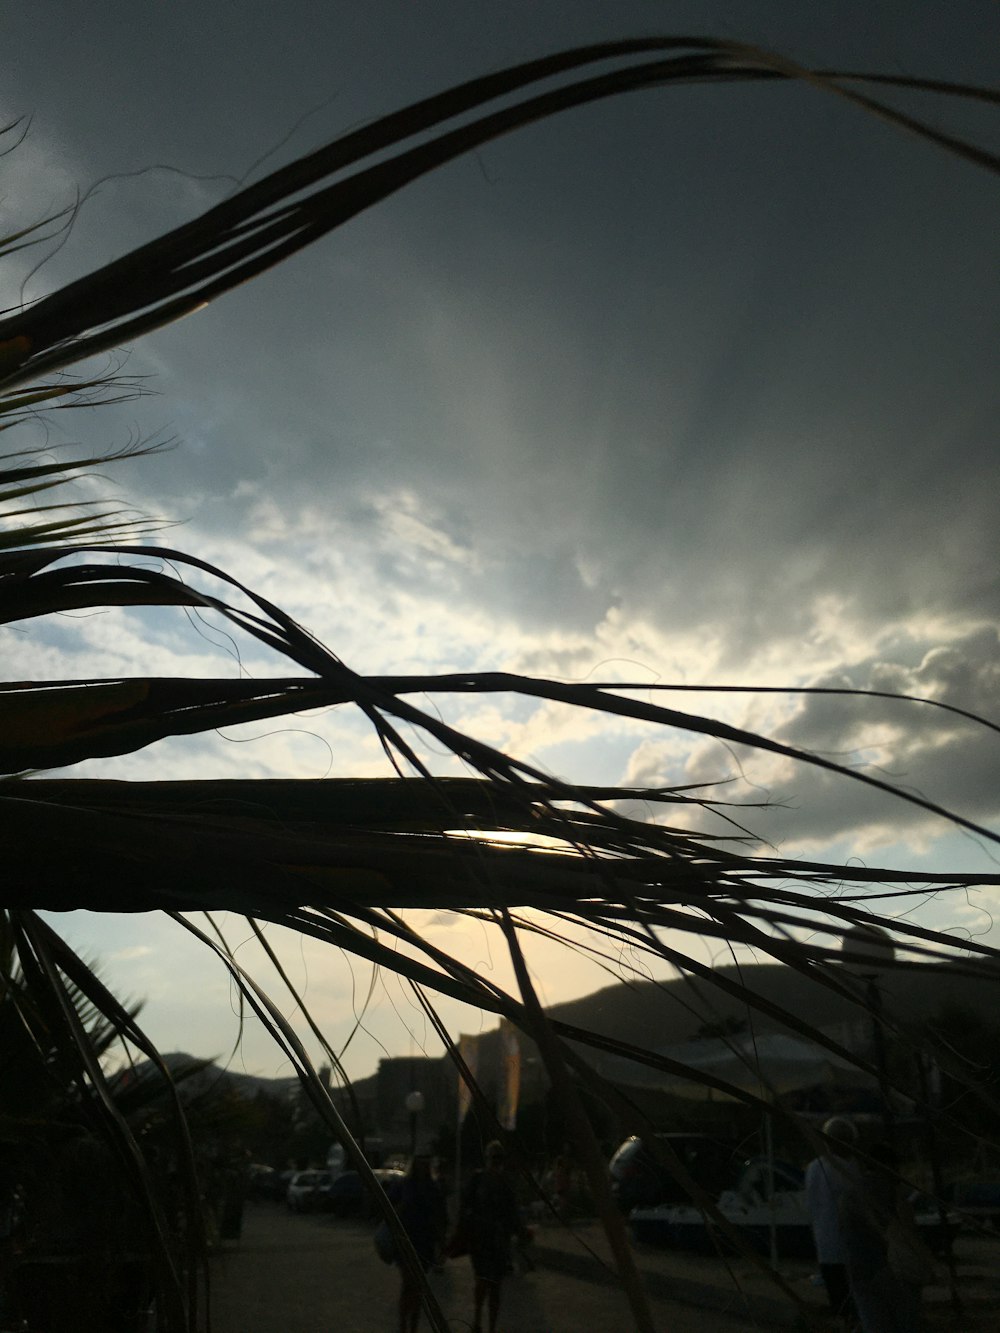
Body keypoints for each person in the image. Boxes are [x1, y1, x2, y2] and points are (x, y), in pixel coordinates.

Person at [461, 1140, 526, 1333]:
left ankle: (491, 1326)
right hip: (481, 1240)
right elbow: (466, 1206)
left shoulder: (506, 1183)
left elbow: (512, 1212)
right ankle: (478, 1320)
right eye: (494, 1158)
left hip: (498, 1241)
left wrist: (519, 1231)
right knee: (482, 1282)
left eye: (499, 1158)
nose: (496, 1162)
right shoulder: (478, 1180)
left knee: (495, 1286)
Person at [804, 1117, 861, 1328]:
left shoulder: (815, 1167)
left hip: (826, 1242)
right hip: (844, 1243)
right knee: (849, 1296)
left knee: (839, 1295)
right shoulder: (844, 1168)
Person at [395, 1155, 446, 1333]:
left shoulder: (429, 1188)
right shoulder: (407, 1186)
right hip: (409, 1241)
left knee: (416, 1288)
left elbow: (439, 1217)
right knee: (410, 1285)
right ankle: (404, 1324)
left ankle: (411, 1326)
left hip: (423, 1243)